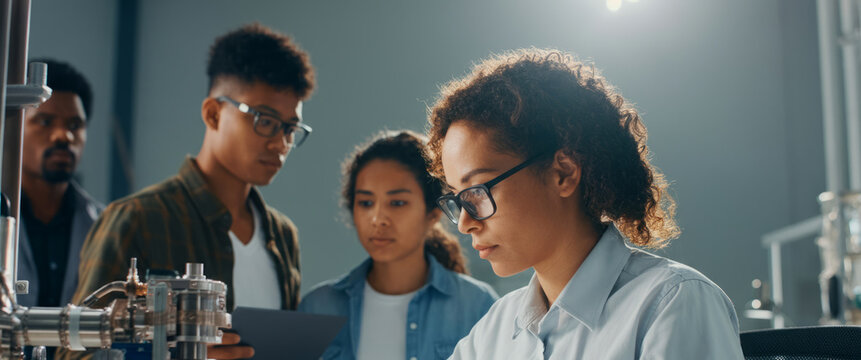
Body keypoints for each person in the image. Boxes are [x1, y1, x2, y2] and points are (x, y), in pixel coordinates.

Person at [425, 49, 744, 359]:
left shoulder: (670, 304)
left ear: (563, 173)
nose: (465, 223)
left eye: (478, 191)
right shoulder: (494, 332)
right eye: (457, 198)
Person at [69, 23, 315, 359]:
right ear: (213, 114)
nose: (280, 143)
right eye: (265, 120)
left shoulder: (283, 237)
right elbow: (76, 352)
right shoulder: (136, 219)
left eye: (290, 128)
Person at [299, 131, 497, 360]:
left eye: (397, 202)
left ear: (432, 215)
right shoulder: (318, 307)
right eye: (365, 203)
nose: (378, 218)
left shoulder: (478, 305)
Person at [18, 58, 103, 309]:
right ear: (12, 126)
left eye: (74, 125)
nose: (63, 135)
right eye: (45, 121)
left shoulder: (102, 223)